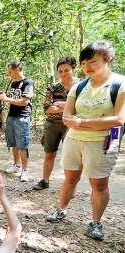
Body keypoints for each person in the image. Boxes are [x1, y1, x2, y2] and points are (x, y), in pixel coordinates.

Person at [46, 40, 125, 240]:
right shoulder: (79, 86)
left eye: (92, 62)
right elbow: (66, 117)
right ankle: (61, 209)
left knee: (99, 185)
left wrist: (80, 121)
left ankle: (96, 221)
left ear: (108, 59)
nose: (87, 67)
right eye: (83, 63)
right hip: (74, 141)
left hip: (103, 142)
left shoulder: (119, 84)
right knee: (70, 178)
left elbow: (118, 119)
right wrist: (90, 122)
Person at [33, 57, 81, 190]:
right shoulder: (53, 87)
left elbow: (81, 106)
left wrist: (59, 104)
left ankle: (69, 185)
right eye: (60, 71)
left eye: (66, 70)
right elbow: (47, 108)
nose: (63, 74)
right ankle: (45, 181)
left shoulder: (82, 85)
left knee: (70, 156)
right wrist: (69, 106)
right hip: (52, 124)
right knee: (49, 153)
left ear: (74, 68)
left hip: (71, 125)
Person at [0, 61, 34, 182]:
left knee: (22, 145)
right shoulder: (14, 84)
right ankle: (16, 165)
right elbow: (15, 98)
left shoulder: (28, 83)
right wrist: (5, 95)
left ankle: (25, 170)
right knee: (13, 143)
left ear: (17, 69)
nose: (9, 74)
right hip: (11, 116)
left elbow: (24, 101)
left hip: (22, 117)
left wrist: (6, 99)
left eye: (10, 71)